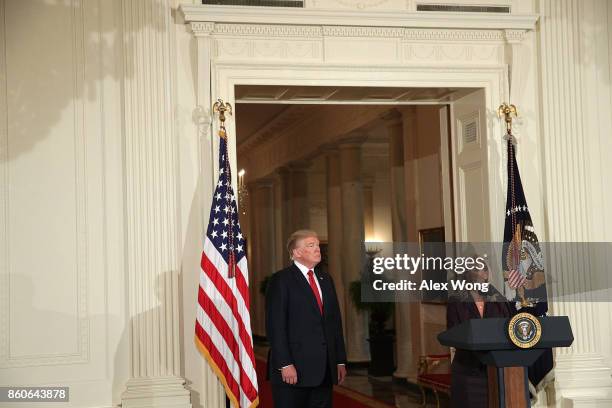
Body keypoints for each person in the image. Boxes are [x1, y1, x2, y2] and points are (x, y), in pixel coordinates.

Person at [265, 229, 347, 408]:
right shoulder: (281, 280)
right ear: (296, 252)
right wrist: (285, 363)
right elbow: (275, 326)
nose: (318, 249)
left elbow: (335, 323)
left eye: (318, 245)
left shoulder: (326, 279)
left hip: (325, 370)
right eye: (311, 245)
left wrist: (339, 360)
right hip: (294, 370)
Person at [446, 261, 515, 408]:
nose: (478, 273)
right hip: (468, 369)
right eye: (474, 269)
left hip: (495, 369)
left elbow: (509, 327)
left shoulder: (498, 299)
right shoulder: (456, 300)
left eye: (482, 269)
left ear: (486, 274)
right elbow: (453, 332)